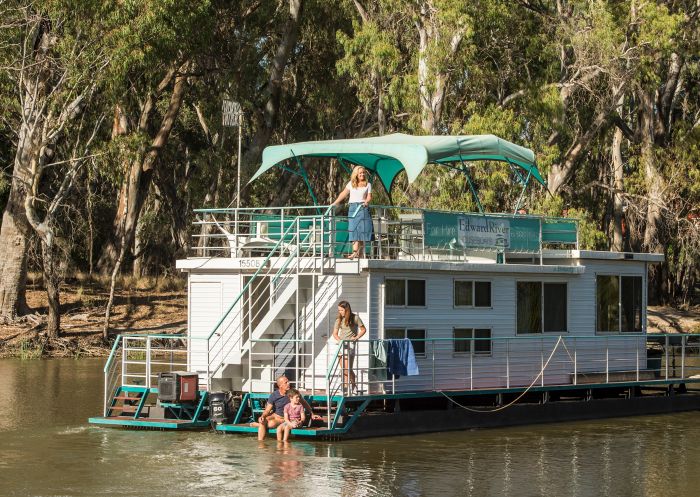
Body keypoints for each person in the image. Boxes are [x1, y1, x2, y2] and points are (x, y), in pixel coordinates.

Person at [253, 375, 319, 440]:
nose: (288, 383)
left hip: (287, 418)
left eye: (288, 382)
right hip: (276, 416)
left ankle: (257, 425)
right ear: (280, 385)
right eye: (286, 382)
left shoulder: (292, 393)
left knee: (270, 424)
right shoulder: (274, 395)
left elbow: (304, 403)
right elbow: (267, 410)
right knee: (263, 421)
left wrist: (312, 413)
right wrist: (262, 416)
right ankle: (261, 444)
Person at [332, 166, 372, 259]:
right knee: (353, 229)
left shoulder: (368, 184)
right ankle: (355, 252)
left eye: (363, 173)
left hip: (363, 208)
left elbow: (369, 196)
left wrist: (366, 202)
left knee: (362, 232)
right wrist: (334, 203)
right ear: (356, 174)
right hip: (353, 208)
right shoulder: (351, 184)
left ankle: (360, 254)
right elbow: (343, 194)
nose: (362, 174)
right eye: (360, 173)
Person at [332, 300, 366, 395]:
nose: (340, 312)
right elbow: (334, 334)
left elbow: (363, 329)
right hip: (341, 345)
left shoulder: (355, 318)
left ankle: (349, 387)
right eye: (339, 310)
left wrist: (356, 337)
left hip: (350, 346)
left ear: (346, 310)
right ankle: (350, 386)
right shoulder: (338, 319)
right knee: (344, 369)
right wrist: (340, 341)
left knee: (347, 369)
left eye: (341, 310)